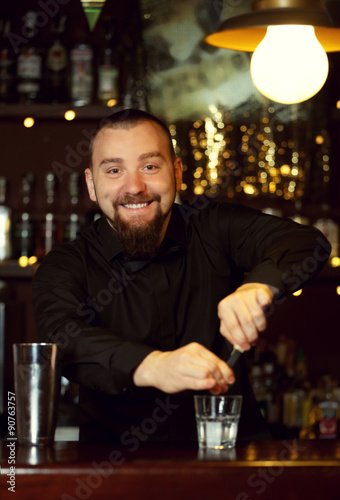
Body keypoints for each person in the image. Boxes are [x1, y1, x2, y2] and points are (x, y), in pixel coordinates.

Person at [32, 109, 331, 445]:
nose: (134, 187)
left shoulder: (214, 225)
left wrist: (259, 286)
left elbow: (309, 243)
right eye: (114, 170)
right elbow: (60, 339)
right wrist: (153, 366)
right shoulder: (67, 264)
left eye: (150, 166)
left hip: (233, 469)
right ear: (91, 184)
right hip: (115, 476)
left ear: (176, 172)